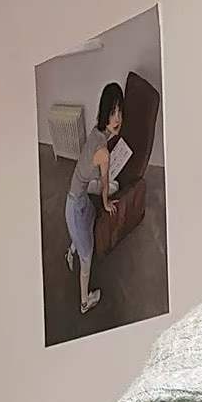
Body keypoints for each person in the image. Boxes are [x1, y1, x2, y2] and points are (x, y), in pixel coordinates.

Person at [65, 81, 124, 317]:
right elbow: (104, 184)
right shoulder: (104, 153)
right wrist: (107, 203)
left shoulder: (96, 132)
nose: (118, 119)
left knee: (90, 219)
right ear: (105, 113)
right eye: (112, 113)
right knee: (87, 260)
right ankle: (84, 301)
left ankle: (73, 246)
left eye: (120, 112)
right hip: (75, 207)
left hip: (79, 196)